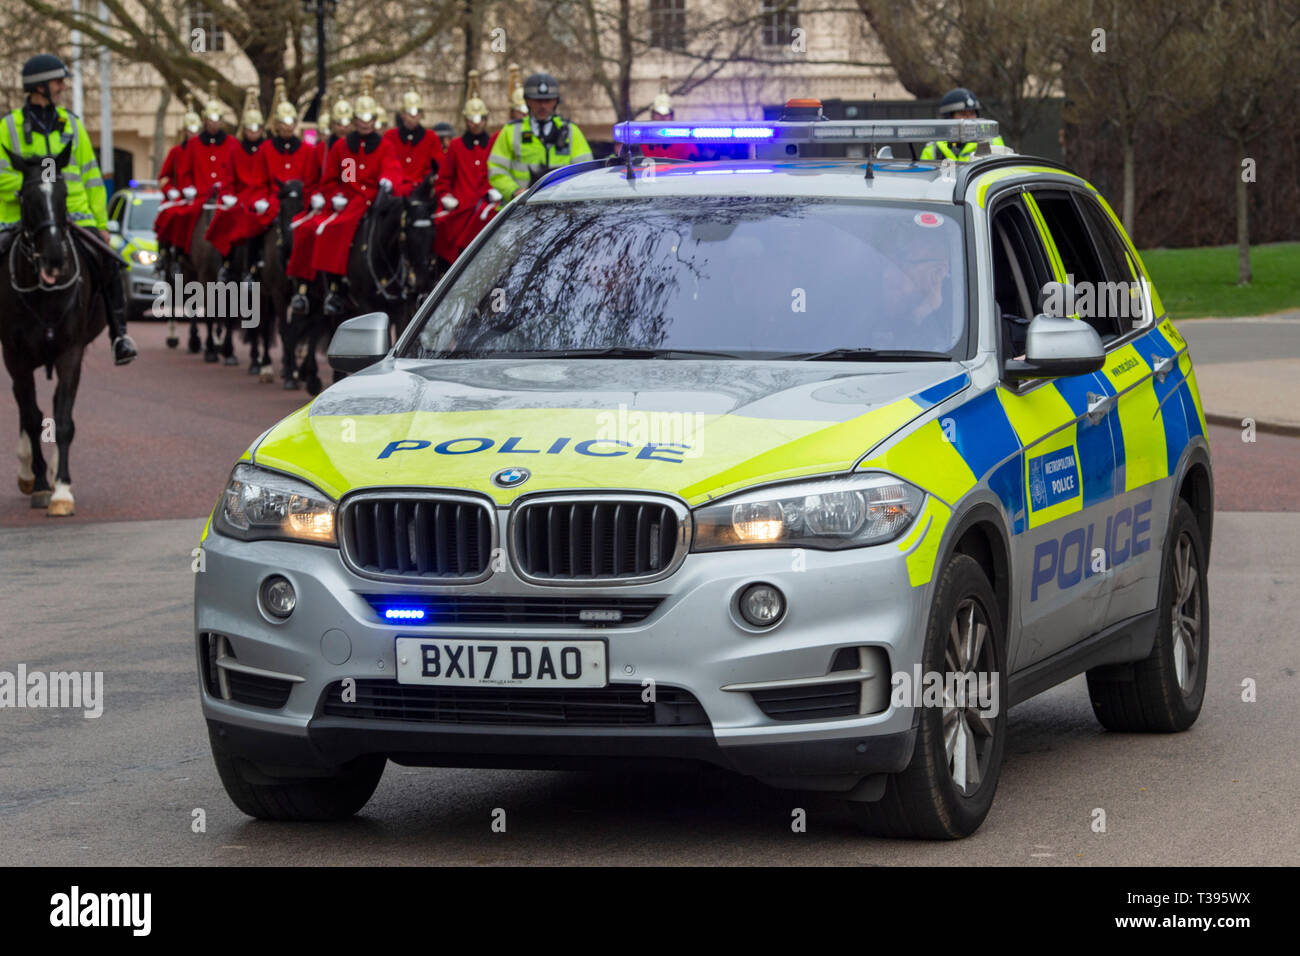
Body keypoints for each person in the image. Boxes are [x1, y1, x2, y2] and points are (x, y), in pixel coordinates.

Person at [0, 54, 136, 363]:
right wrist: (27, 188)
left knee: (109, 261)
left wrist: (101, 225)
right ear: (40, 86)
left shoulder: (72, 124)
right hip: (20, 218)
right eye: (58, 81)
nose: (62, 87)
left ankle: (120, 335)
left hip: (74, 214)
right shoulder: (8, 127)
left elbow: (91, 177)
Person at [310, 74, 407, 316]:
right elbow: (332, 180)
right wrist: (335, 196)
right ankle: (335, 287)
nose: (365, 123)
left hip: (377, 202)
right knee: (329, 231)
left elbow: (392, 169)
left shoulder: (385, 145)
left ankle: (409, 280)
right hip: (352, 203)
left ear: (375, 120)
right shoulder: (342, 147)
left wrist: (387, 182)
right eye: (361, 119)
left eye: (369, 118)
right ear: (354, 120)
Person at [287, 86, 351, 314]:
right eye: (338, 124)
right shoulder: (319, 151)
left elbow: (349, 179)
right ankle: (302, 288)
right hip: (322, 204)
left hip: (344, 204)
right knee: (306, 230)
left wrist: (342, 197)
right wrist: (314, 197)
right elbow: (311, 181)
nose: (342, 129)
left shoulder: (350, 149)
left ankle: (339, 284)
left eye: (346, 124)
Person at [487, 71, 592, 202]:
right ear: (527, 101)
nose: (543, 106)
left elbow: (586, 171)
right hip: (520, 208)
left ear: (556, 101)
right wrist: (514, 191)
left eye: (547, 100)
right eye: (537, 100)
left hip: (562, 208)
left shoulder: (571, 131)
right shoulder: (511, 131)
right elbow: (496, 169)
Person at [434, 70, 499, 268]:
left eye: (480, 119)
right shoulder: (455, 146)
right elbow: (444, 178)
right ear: (465, 120)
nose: (476, 124)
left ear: (486, 119)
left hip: (487, 207)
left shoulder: (494, 144)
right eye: (472, 120)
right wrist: (446, 195)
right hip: (461, 208)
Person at [169, 82, 237, 263]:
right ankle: (180, 255)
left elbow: (235, 172)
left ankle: (242, 264)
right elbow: (184, 172)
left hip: (225, 198)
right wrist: (188, 188)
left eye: (217, 120)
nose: (214, 124)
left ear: (222, 121)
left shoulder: (232, 143)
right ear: (205, 121)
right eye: (210, 120)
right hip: (200, 196)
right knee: (183, 216)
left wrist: (231, 192)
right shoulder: (193, 145)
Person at [207, 87, 268, 283]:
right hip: (241, 200)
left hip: (262, 200)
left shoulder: (267, 149)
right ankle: (227, 263)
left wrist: (269, 199)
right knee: (230, 221)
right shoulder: (235, 150)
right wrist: (227, 195)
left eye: (257, 128)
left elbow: (273, 180)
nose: (253, 132)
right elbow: (228, 180)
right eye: (250, 128)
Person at [152, 98, 200, 273]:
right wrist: (170, 191)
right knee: (171, 215)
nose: (194, 134)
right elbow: (164, 177)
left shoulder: (204, 152)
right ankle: (166, 253)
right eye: (191, 131)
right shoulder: (177, 152)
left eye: (197, 131)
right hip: (180, 197)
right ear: (185, 131)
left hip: (199, 196)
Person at [381, 84, 444, 192]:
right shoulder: (390, 136)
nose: (413, 116)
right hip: (395, 189)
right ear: (402, 114)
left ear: (421, 114)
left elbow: (439, 165)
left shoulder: (431, 137)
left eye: (417, 112)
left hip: (421, 190)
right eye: (409, 112)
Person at [919, 88, 1008, 162]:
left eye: (972, 113)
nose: (969, 118)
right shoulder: (934, 149)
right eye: (962, 114)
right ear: (948, 118)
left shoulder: (992, 141)